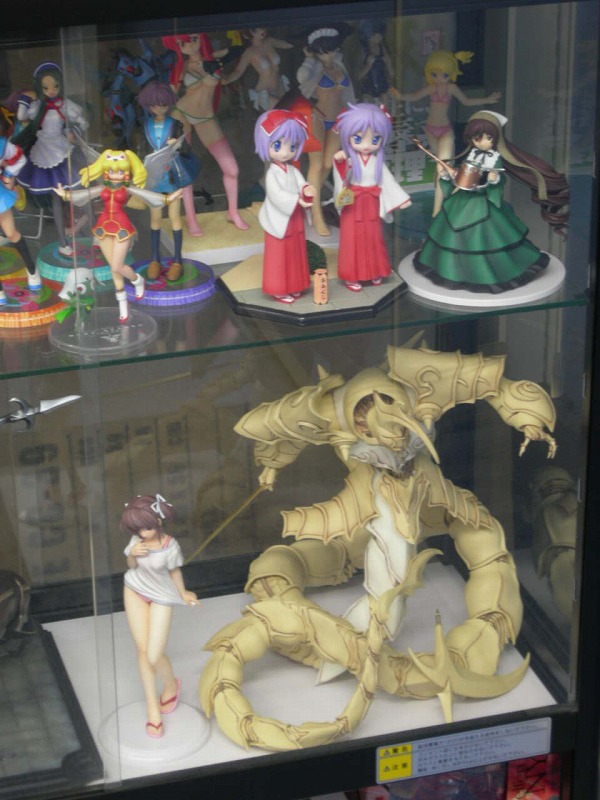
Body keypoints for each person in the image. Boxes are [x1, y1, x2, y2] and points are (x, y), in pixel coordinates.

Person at [414, 110, 569, 293]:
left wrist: (493, 179)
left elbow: (496, 183)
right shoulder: (471, 155)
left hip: (483, 203)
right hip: (461, 200)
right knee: (451, 235)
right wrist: (447, 175)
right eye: (477, 138)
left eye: (488, 138)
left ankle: (487, 273)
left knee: (485, 237)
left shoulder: (494, 159)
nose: (483, 142)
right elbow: (461, 178)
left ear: (496, 138)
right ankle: (453, 270)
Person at [54, 149, 181, 322]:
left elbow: (147, 195)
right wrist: (66, 195)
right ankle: (123, 305)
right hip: (103, 228)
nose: (115, 174)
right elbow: (84, 194)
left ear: (126, 172)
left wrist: (167, 199)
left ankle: (137, 280)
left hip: (122, 228)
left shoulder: (127, 188)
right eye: (112, 170)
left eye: (120, 171)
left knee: (116, 267)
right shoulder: (103, 187)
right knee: (114, 269)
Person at [121, 494, 198, 739]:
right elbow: (131, 566)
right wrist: (132, 553)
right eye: (137, 529)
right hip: (134, 590)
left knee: (154, 654)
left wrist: (183, 593)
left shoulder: (170, 546)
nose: (141, 533)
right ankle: (152, 709)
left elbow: (174, 571)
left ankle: (171, 684)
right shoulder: (137, 540)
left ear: (158, 521)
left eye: (145, 528)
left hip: (162, 596)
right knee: (143, 651)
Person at [392, 50, 501, 215]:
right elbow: (414, 96)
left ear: (451, 73)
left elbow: (466, 101)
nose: (439, 78)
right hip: (430, 129)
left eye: (444, 74)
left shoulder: (451, 87)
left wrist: (487, 100)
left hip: (445, 131)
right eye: (434, 74)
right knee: (440, 168)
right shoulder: (431, 88)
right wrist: (399, 95)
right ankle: (441, 204)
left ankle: (437, 210)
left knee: (443, 167)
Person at [162, 33, 249, 231]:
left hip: (206, 118)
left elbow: (237, 52)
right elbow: (170, 92)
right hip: (181, 114)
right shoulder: (183, 67)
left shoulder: (214, 58)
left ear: (201, 39)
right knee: (185, 170)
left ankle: (233, 212)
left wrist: (229, 68)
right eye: (182, 44)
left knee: (231, 169)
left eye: (193, 39)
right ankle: (191, 217)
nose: (189, 46)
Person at [333, 103, 411, 291]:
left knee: (373, 239)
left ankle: (375, 271)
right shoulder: (349, 160)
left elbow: (388, 181)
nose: (367, 145)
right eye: (358, 138)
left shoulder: (377, 162)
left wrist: (401, 199)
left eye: (375, 139)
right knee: (352, 241)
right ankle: (352, 276)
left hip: (371, 203)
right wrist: (340, 161)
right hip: (353, 203)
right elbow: (341, 176)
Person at [13, 62, 88, 256]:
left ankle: (84, 228)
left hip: (62, 148)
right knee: (56, 197)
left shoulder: (66, 105)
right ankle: (63, 241)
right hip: (44, 151)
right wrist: (25, 97)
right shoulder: (38, 106)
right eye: (46, 88)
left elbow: (83, 122)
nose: (51, 91)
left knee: (78, 190)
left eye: (55, 86)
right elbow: (21, 116)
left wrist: (73, 131)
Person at [137, 81, 201, 281]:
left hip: (172, 177)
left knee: (174, 218)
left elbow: (187, 150)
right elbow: (140, 151)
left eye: (163, 105)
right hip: (153, 179)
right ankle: (155, 259)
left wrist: (178, 145)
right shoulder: (145, 126)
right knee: (155, 219)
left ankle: (177, 261)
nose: (159, 109)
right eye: (154, 105)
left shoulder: (175, 125)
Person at [296, 25, 355, 236]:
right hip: (317, 118)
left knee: (329, 163)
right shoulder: (313, 68)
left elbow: (348, 93)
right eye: (321, 52)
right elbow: (302, 77)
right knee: (317, 164)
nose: (326, 55)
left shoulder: (339, 66)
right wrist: (308, 59)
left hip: (338, 119)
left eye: (329, 50)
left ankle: (307, 200)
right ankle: (316, 214)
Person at [254, 108, 315, 303]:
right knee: (279, 255)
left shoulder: (292, 170)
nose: (285, 152)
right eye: (278, 145)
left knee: (296, 251)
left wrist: (306, 190)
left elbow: (302, 184)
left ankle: (295, 285)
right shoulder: (272, 173)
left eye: (292, 146)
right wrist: (297, 199)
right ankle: (279, 288)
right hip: (280, 219)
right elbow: (276, 195)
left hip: (294, 217)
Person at [0, 106, 40, 303]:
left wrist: (8, 175)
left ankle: (32, 269)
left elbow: (19, 158)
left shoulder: (2, 144)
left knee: (12, 234)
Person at [221, 28, 292, 111]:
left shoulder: (270, 41)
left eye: (263, 27)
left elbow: (287, 44)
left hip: (280, 87)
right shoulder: (249, 52)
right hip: (265, 92)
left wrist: (302, 40)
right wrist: (227, 79)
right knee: (282, 110)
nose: (263, 30)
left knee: (289, 111)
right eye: (258, 29)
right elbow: (238, 71)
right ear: (251, 32)